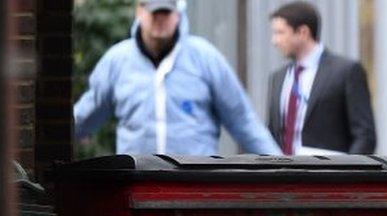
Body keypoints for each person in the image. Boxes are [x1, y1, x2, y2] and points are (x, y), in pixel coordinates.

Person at [74, 0, 280, 155]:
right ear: (139, 11)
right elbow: (84, 117)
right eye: (154, 12)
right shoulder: (117, 61)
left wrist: (282, 170)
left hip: (194, 190)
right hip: (137, 189)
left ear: (178, 14)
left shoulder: (205, 58)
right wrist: (48, 143)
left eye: (166, 12)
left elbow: (243, 121)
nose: (160, 19)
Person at [267, 2, 376, 155]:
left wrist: (348, 174)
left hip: (329, 176)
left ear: (303, 32)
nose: (274, 41)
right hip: (282, 175)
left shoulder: (346, 72)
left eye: (280, 32)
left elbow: (365, 136)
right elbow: (272, 135)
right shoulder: (277, 78)